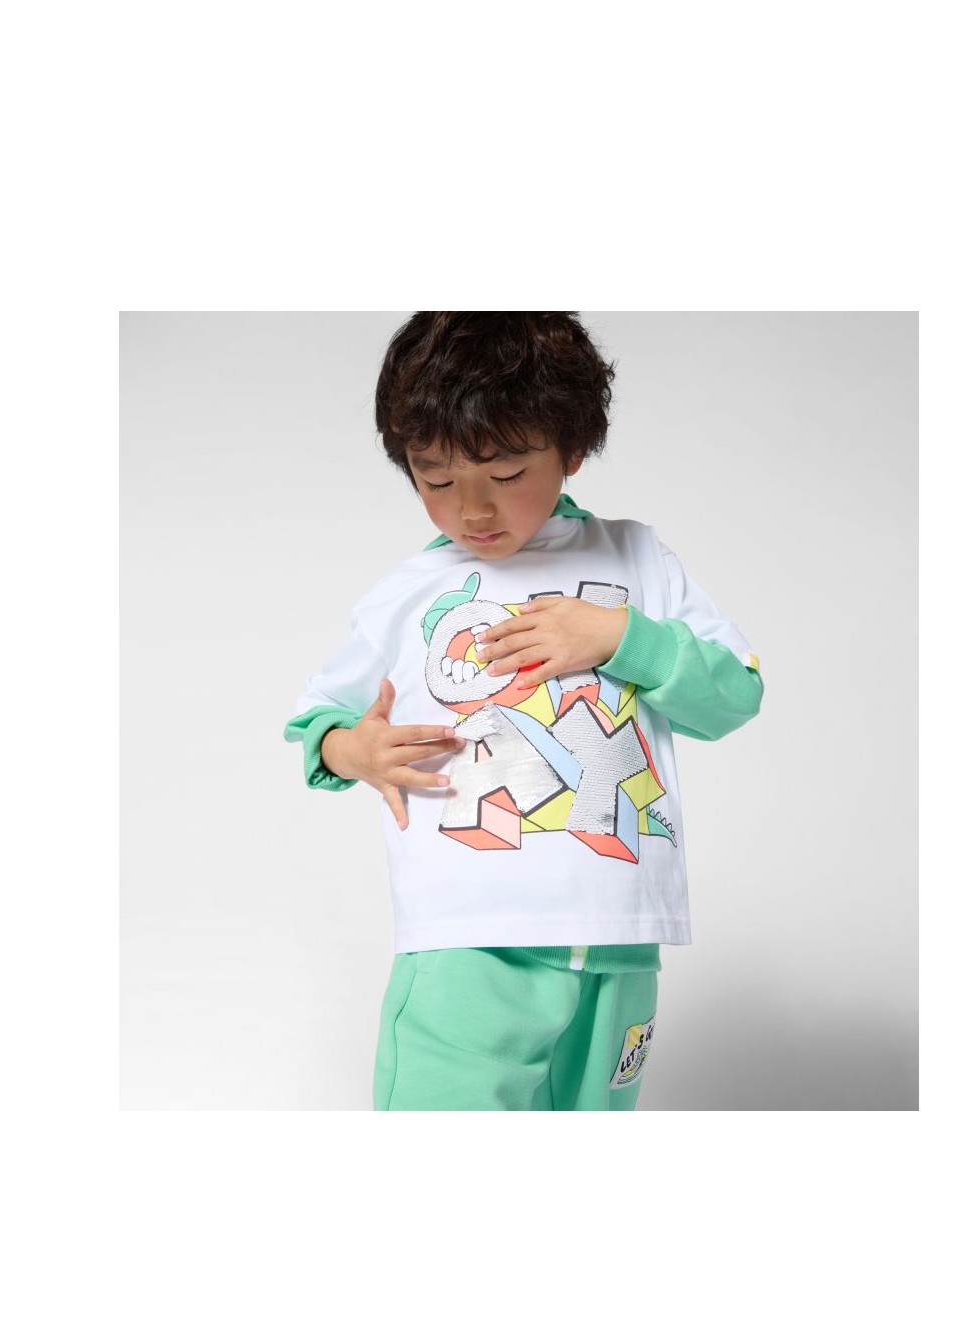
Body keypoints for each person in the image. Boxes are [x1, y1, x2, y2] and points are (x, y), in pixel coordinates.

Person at [284, 312, 763, 1111]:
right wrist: (353, 750)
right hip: (470, 940)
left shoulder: (638, 560)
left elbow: (735, 695)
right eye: (436, 480)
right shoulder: (408, 593)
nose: (473, 509)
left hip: (619, 938)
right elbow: (319, 718)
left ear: (570, 451)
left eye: (506, 474)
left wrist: (623, 637)